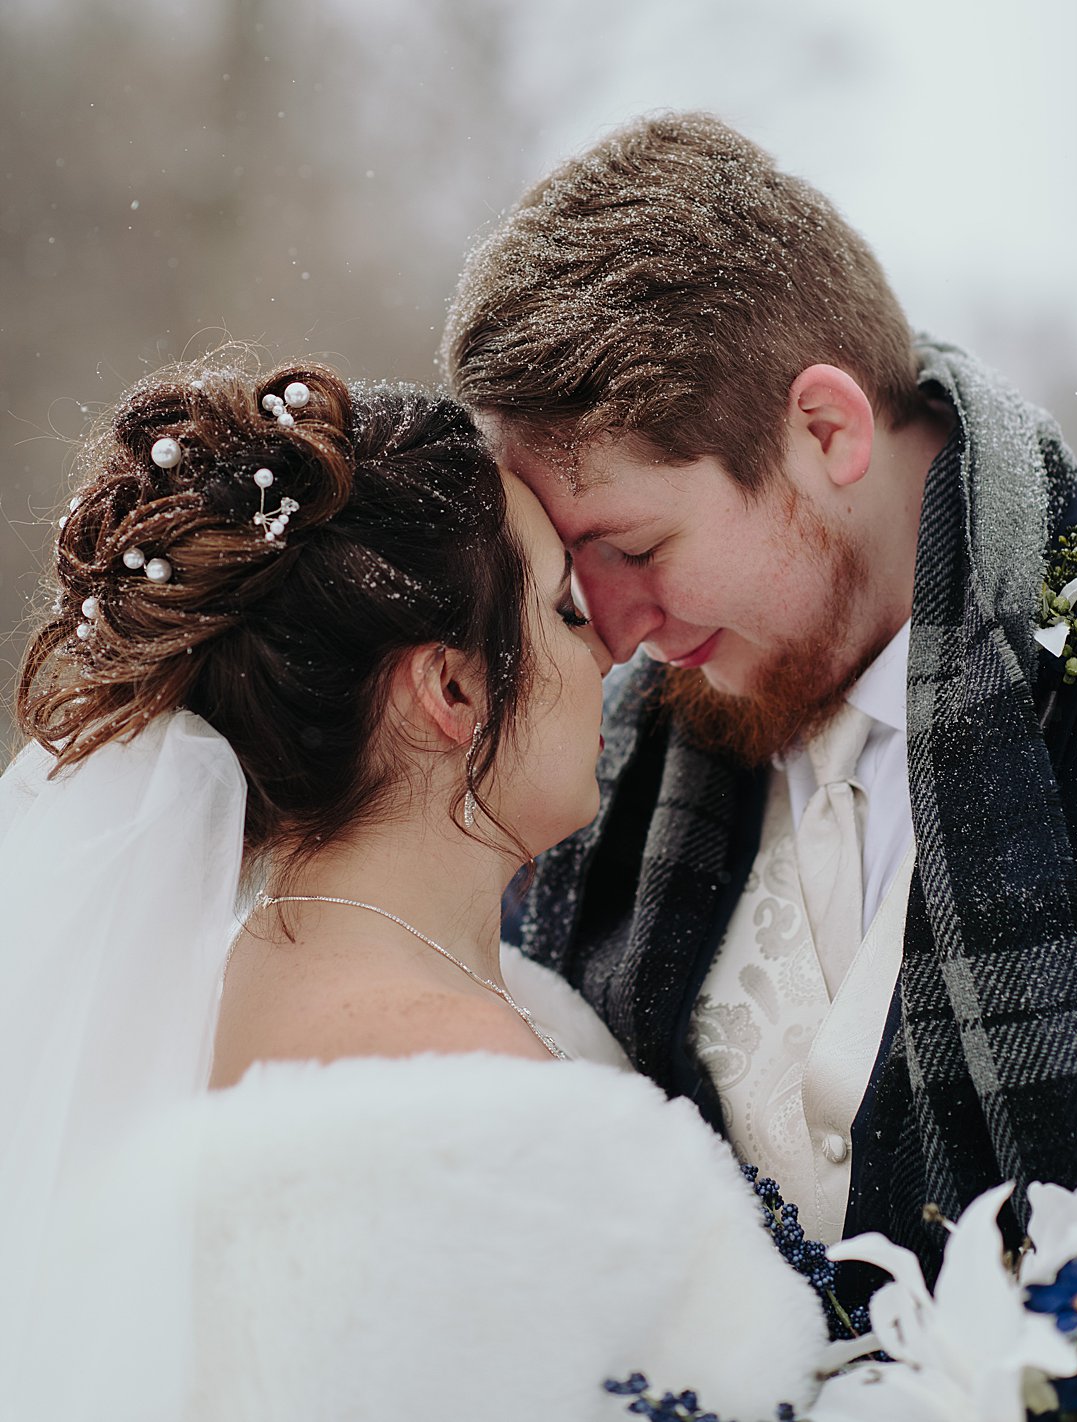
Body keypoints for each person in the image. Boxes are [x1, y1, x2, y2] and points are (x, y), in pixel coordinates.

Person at [0, 362, 828, 1420]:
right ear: (449, 688)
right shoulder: (468, 1098)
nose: (613, 647)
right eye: (563, 612)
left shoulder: (204, 994)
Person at [440, 112, 1077, 1283]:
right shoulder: (601, 768)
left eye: (635, 547)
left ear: (826, 429)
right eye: (573, 572)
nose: (620, 634)